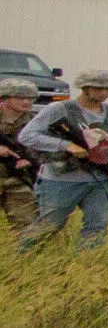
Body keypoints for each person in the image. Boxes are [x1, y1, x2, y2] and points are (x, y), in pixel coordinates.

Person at [17, 67, 108, 253]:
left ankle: (85, 264)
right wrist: (65, 145)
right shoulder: (59, 109)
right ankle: (22, 257)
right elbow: (27, 136)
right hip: (61, 179)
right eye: (99, 88)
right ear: (85, 87)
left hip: (100, 179)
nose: (105, 92)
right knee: (50, 225)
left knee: (98, 225)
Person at [0, 79, 43, 235]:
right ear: (4, 98)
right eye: (20, 97)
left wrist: (31, 161)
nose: (26, 102)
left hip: (19, 181)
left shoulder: (37, 122)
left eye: (30, 98)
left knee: (27, 228)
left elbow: (50, 150)